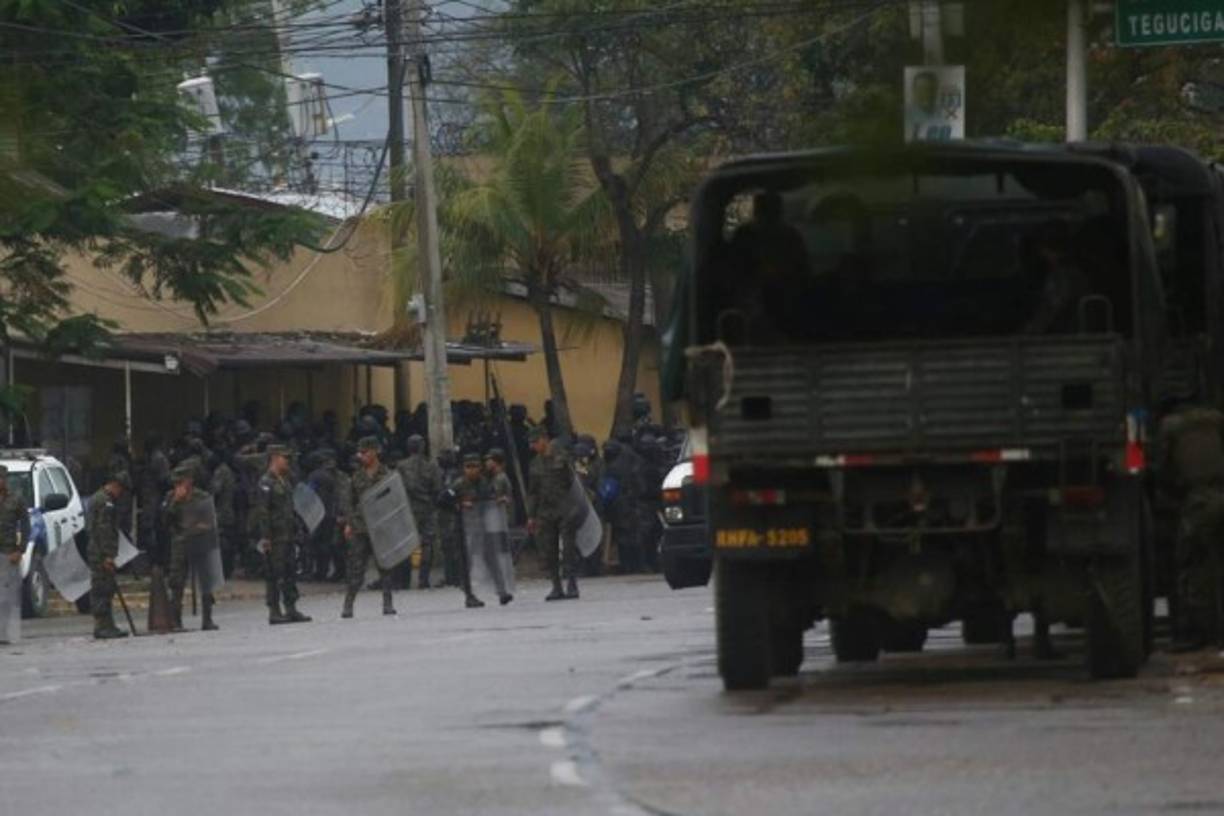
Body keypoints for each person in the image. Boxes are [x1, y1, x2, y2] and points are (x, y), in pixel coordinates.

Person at [1158, 405, 1224, 649]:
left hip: (1199, 503)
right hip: (1220, 495)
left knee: (1191, 567)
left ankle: (1194, 633)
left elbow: (1163, 471)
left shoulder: (1172, 427)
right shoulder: (1215, 420)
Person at [253, 445, 311, 625]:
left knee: (289, 571)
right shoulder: (266, 482)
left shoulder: (285, 480)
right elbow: (263, 512)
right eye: (285, 458)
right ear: (275, 458)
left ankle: (291, 608)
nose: (288, 462)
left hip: (288, 534)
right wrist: (265, 537)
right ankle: (274, 610)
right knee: (274, 573)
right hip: (275, 536)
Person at [342, 437, 397, 618]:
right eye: (360, 452)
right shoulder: (357, 476)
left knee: (385, 567)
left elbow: (395, 501)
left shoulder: (387, 474)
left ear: (374, 452)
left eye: (364, 452)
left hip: (381, 527)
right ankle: (348, 605)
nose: (361, 456)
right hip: (360, 528)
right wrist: (349, 523)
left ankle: (388, 603)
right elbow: (349, 502)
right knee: (356, 568)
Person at [161, 465, 218, 632]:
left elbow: (210, 521)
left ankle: (207, 619)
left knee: (206, 582)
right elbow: (164, 521)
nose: (178, 486)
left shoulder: (202, 497)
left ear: (189, 481)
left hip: (200, 541)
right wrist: (175, 502)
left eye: (181, 482)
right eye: (176, 483)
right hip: (180, 543)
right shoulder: (170, 497)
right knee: (176, 581)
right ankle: (176, 620)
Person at [527, 427, 579, 601]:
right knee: (549, 549)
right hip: (545, 511)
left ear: (544, 439)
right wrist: (531, 516)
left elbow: (576, 483)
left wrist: (577, 506)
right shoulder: (535, 464)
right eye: (531, 443)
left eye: (535, 442)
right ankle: (556, 586)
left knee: (569, 548)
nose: (534, 446)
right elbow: (533, 492)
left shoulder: (563, 458)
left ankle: (572, 583)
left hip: (565, 508)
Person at [86, 471, 130, 639]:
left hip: (97, 551)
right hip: (100, 553)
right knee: (102, 588)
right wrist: (108, 555)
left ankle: (108, 624)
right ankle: (102, 626)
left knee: (107, 587)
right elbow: (104, 531)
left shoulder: (98, 498)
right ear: (115, 485)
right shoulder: (105, 502)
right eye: (121, 490)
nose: (120, 494)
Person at [396, 435, 443, 589]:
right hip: (427, 508)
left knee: (406, 544)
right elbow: (437, 488)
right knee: (427, 544)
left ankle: (404, 580)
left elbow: (397, 489)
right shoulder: (431, 466)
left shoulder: (401, 466)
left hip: (407, 509)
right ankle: (424, 580)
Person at [0, 466, 30, 627]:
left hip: (8, 553)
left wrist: (20, 550)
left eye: (1, 478)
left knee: (7, 593)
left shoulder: (16, 500)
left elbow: (26, 526)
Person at [209, 452, 238, 579]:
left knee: (221, 544)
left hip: (221, 513)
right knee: (227, 543)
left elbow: (216, 490)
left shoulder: (221, 472)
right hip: (228, 512)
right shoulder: (229, 471)